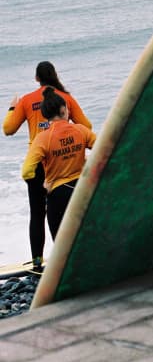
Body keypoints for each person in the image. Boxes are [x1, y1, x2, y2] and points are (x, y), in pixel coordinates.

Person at [3, 62, 92, 270]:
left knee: (37, 213)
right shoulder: (65, 99)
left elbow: (8, 129)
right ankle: (74, 256)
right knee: (70, 211)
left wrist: (12, 108)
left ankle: (37, 262)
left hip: (37, 164)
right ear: (54, 75)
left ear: (36, 79)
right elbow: (86, 126)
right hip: (61, 161)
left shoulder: (26, 100)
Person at [21, 87, 96, 240]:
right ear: (63, 110)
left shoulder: (42, 139)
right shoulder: (81, 130)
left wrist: (45, 185)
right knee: (89, 239)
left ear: (46, 116)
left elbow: (27, 171)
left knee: (63, 247)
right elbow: (105, 148)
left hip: (59, 197)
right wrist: (87, 162)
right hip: (83, 190)